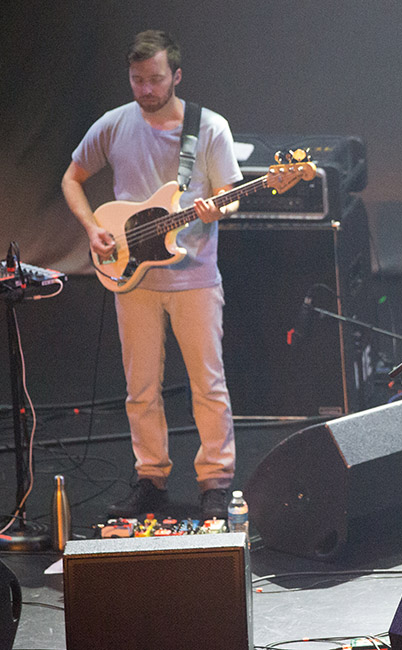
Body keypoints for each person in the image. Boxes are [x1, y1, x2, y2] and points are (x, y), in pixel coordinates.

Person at [61, 30, 242, 521]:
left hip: (195, 277)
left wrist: (216, 208)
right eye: (137, 80)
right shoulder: (114, 124)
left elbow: (230, 194)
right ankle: (150, 479)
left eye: (155, 79)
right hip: (132, 276)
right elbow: (72, 178)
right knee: (140, 389)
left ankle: (215, 482)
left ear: (176, 76)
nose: (145, 89)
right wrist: (92, 228)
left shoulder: (209, 128)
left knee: (208, 385)